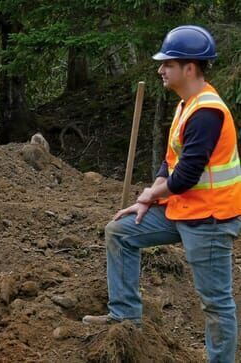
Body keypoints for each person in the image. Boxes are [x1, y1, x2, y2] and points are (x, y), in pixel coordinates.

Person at [82, 25, 240, 363]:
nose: (160, 69)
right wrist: (149, 195)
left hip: (209, 219)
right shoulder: (186, 106)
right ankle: (125, 318)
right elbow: (170, 163)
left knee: (215, 302)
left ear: (190, 68)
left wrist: (149, 196)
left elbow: (184, 177)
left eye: (167, 63)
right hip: (183, 210)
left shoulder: (207, 112)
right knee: (120, 232)